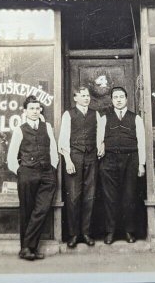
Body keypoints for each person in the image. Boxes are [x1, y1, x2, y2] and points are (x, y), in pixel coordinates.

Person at [7, 96, 59, 261]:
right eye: (31, 108)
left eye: (37, 108)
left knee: (41, 210)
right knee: (27, 212)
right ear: (25, 111)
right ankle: (28, 248)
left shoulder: (47, 127)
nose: (35, 111)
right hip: (28, 174)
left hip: (47, 173)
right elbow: (11, 157)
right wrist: (21, 172)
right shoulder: (20, 129)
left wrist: (53, 167)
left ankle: (27, 247)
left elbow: (53, 150)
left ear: (40, 110)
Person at [58, 86, 104, 248]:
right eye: (82, 95)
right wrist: (68, 160)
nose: (86, 98)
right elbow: (63, 138)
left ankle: (86, 233)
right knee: (73, 197)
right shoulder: (68, 114)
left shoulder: (95, 114)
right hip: (74, 158)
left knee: (90, 196)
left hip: (91, 157)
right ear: (75, 98)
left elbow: (99, 134)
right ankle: (73, 234)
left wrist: (101, 145)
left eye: (87, 95)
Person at [99, 86, 145, 244]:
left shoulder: (136, 118)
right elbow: (99, 140)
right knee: (110, 198)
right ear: (112, 100)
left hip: (130, 159)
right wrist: (101, 148)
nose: (118, 100)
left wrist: (141, 164)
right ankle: (110, 232)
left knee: (129, 196)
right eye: (115, 97)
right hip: (109, 160)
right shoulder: (104, 118)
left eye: (121, 97)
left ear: (126, 99)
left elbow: (142, 142)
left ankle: (129, 231)